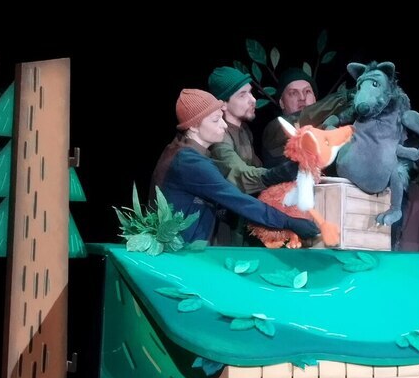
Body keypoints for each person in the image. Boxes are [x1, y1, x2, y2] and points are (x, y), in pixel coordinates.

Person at [149, 88, 320, 244]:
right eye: (216, 120)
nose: (224, 125)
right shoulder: (189, 162)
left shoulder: (180, 150)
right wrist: (288, 222)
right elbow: (237, 200)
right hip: (179, 254)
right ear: (193, 126)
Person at [206, 66, 299, 245]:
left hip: (242, 221)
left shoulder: (244, 130)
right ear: (223, 104)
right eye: (242, 95)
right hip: (223, 229)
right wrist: (275, 174)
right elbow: (237, 173)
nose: (253, 100)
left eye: (250, 92)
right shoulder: (219, 137)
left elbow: (256, 167)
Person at [261, 68, 352, 167]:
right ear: (282, 103)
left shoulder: (328, 126)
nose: (302, 98)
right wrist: (344, 97)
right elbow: (305, 117)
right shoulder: (275, 128)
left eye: (307, 91)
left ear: (315, 99)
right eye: (293, 93)